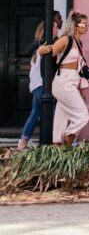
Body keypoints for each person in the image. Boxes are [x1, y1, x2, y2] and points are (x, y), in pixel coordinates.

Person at [39, 10, 89, 146]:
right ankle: (67, 143)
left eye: (87, 24)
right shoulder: (66, 39)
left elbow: (80, 69)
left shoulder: (79, 44)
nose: (87, 27)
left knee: (61, 119)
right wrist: (43, 50)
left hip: (72, 81)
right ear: (75, 26)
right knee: (83, 115)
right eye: (84, 24)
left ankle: (57, 147)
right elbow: (51, 50)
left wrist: (82, 87)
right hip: (63, 81)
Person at [17, 12, 63, 151]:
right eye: (55, 27)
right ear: (48, 29)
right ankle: (55, 144)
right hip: (40, 84)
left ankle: (23, 143)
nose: (57, 29)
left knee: (36, 113)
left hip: (38, 84)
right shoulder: (42, 44)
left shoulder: (48, 44)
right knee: (53, 112)